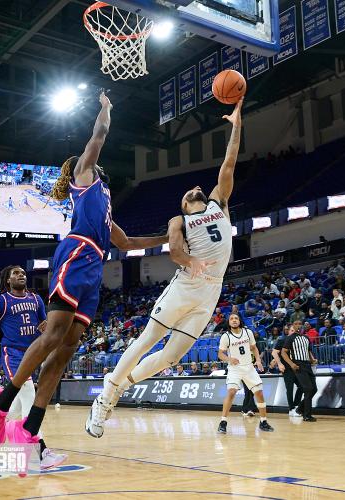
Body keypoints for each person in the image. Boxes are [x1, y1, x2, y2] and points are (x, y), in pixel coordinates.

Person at [0, 93, 167, 447]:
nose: (95, 160)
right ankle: (2, 402)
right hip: (77, 251)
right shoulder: (85, 178)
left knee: (67, 347)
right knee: (52, 336)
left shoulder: (106, 203)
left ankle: (29, 427)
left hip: (95, 264)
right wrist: (106, 109)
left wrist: (171, 239)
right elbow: (98, 137)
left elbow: (126, 243)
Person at [86, 98, 244, 438]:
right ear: (185, 204)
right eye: (190, 192)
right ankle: (105, 398)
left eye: (198, 188)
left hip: (210, 291)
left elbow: (229, 163)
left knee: (171, 357)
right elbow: (173, 250)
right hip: (187, 283)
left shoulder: (220, 201)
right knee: (148, 339)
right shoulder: (179, 219)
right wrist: (191, 260)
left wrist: (237, 124)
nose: (197, 188)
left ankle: (120, 385)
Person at [0, 265, 66, 470]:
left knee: (16, 402)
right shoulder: (1, 301)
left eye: (23, 273)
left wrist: (46, 325)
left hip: (33, 351)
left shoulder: (36, 299)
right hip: (12, 353)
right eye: (16, 273)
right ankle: (41, 451)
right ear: (8, 280)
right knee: (28, 392)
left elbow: (44, 324)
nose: (21, 275)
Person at [217, 314, 273, 433]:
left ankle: (263, 421)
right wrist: (229, 359)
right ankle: (223, 422)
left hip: (249, 367)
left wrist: (258, 360)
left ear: (239, 321)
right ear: (229, 322)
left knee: (259, 393)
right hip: (235, 368)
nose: (234, 320)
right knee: (231, 392)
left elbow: (254, 348)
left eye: (236, 318)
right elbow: (220, 354)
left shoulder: (248, 332)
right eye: (231, 319)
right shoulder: (225, 336)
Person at [281, 325, 318, 422]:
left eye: (300, 324)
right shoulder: (290, 338)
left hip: (307, 365)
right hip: (298, 365)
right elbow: (283, 352)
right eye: (297, 325)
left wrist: (312, 359)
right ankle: (307, 415)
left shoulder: (306, 338)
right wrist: (291, 364)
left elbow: (308, 351)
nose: (300, 326)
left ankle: (299, 409)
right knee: (308, 388)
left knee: (314, 389)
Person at [271, 323, 303, 417]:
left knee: (301, 386)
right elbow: (274, 352)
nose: (294, 333)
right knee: (289, 389)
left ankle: (296, 405)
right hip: (287, 368)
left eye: (295, 331)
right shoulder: (283, 340)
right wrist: (279, 364)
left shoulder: (298, 340)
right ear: (288, 331)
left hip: (296, 367)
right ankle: (291, 409)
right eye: (292, 331)